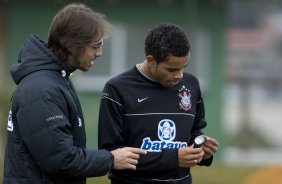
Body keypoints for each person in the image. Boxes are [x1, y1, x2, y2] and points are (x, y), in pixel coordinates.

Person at [3, 3, 146, 184]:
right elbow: (60, 160)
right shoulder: (41, 90)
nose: (100, 53)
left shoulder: (56, 79)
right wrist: (110, 159)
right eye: (95, 46)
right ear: (73, 46)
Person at [98, 23, 219, 184]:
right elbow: (111, 155)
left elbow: (194, 133)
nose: (179, 76)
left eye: (184, 67)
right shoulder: (117, 89)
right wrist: (172, 158)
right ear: (151, 60)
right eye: (171, 70)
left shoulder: (191, 85)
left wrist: (202, 150)